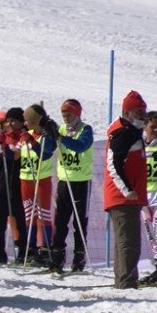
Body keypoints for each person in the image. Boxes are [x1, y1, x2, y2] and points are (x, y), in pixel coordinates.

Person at [103, 90, 148, 289]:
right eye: (139, 112)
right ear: (127, 112)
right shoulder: (123, 133)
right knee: (129, 242)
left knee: (124, 241)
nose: (143, 116)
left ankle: (123, 279)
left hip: (125, 196)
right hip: (123, 197)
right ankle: (127, 282)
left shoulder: (129, 130)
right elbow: (113, 164)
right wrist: (127, 189)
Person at [49, 99, 93, 273]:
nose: (66, 118)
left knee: (80, 222)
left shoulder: (86, 129)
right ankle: (57, 259)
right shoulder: (60, 129)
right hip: (64, 181)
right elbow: (47, 150)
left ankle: (79, 259)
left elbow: (81, 146)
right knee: (60, 221)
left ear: (77, 114)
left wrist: (61, 138)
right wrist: (46, 134)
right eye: (63, 115)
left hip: (81, 181)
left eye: (69, 115)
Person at [0, 107, 29, 264]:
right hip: (1, 185)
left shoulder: (24, 138)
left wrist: (13, 154)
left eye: (14, 121)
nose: (10, 124)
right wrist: (5, 153)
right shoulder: (1, 139)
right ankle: (0, 255)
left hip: (18, 186)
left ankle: (22, 253)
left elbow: (26, 157)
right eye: (9, 121)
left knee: (20, 221)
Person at [19, 104, 57, 265]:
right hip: (26, 180)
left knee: (43, 215)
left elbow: (46, 154)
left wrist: (33, 144)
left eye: (27, 120)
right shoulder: (26, 135)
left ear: (35, 121)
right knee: (29, 216)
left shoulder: (47, 136)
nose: (25, 123)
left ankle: (45, 250)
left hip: (41, 180)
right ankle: (30, 249)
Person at [140, 111, 157, 285]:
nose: (156, 130)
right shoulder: (140, 145)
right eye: (152, 127)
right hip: (145, 198)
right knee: (151, 235)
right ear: (145, 127)